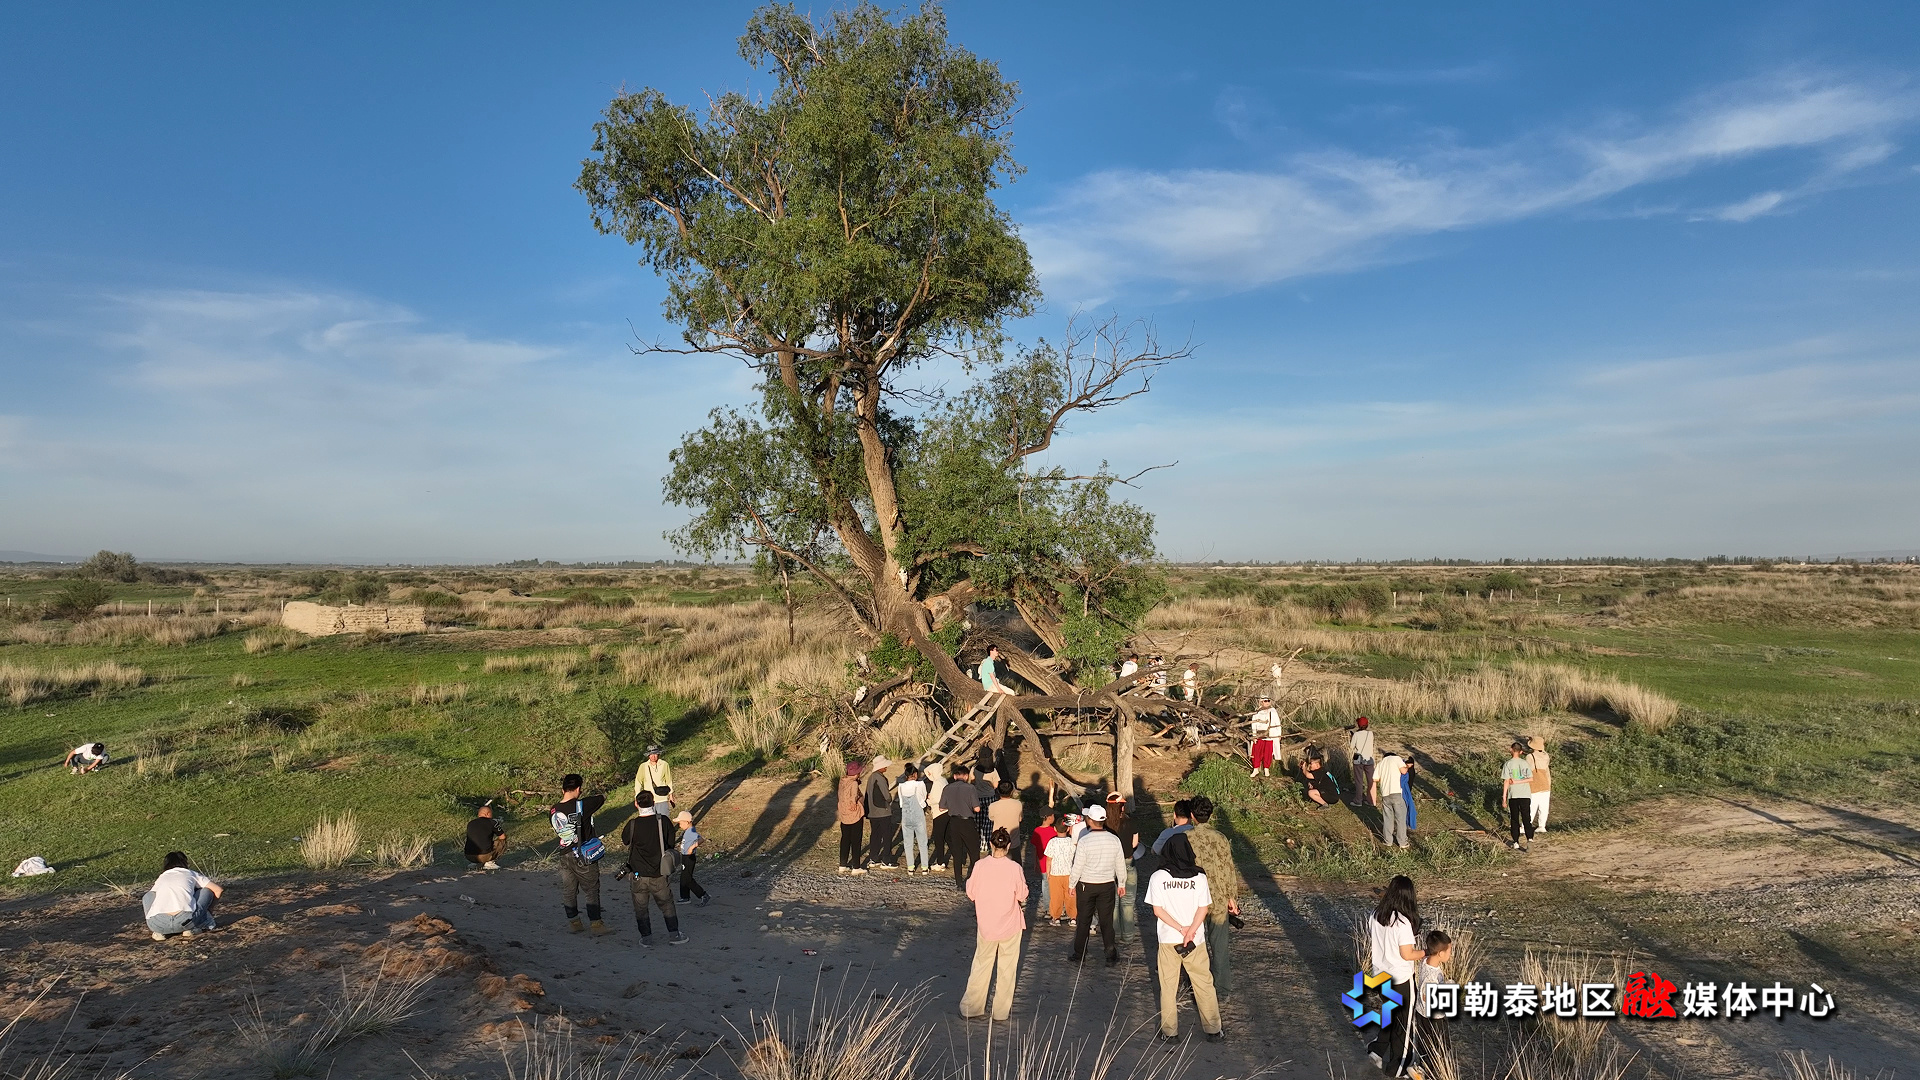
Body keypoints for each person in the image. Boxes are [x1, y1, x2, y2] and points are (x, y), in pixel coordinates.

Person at [1147, 834, 1224, 1044]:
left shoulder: (1158, 877)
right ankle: (1213, 1030)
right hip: (1195, 940)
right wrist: (1190, 931)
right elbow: (1203, 909)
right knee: (1203, 983)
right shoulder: (1200, 877)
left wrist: (1180, 929)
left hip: (1169, 939)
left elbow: (1157, 910)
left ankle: (1169, 1032)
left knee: (1168, 986)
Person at [960, 828, 1028, 1021]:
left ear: (991, 844)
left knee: (981, 964)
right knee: (1007, 969)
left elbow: (971, 892)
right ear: (1008, 845)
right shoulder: (1014, 868)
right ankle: (1000, 1012)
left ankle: (971, 1008)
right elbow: (1022, 894)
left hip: (986, 924)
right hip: (1010, 924)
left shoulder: (980, 865)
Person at [1366, 875, 1426, 1075]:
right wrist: (1427, 952)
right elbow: (1407, 954)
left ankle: (1377, 1049)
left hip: (1380, 977)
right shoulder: (1403, 923)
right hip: (1401, 979)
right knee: (1403, 1025)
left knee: (1389, 1015)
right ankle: (1398, 1068)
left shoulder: (1376, 914)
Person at [1187, 796, 1242, 999]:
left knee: (1194, 946)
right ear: (1210, 815)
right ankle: (1222, 990)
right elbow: (1228, 869)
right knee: (1220, 948)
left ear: (1192, 815)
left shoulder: (1185, 838)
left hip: (1193, 900)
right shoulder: (1220, 838)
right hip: (1218, 898)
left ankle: (1198, 987)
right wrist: (1232, 898)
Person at [619, 792, 686, 945]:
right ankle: (674, 935)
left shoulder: (632, 824)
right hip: (659, 872)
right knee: (666, 904)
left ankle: (646, 938)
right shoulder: (663, 821)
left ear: (636, 804)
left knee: (641, 907)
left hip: (638, 874)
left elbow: (625, 840)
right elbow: (670, 844)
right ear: (653, 802)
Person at [1067, 804, 1126, 964]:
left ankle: (1080, 954)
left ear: (1090, 820)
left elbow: (1078, 865)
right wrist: (1121, 883)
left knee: (1083, 920)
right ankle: (1110, 954)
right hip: (1107, 884)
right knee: (1106, 921)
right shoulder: (1114, 839)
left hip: (1086, 885)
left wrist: (1072, 884)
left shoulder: (1085, 840)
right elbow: (1120, 863)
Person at [550, 774, 608, 933]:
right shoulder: (582, 805)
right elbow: (602, 797)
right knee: (591, 890)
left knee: (569, 890)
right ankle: (596, 925)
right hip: (583, 854)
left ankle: (574, 923)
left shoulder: (553, 810)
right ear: (578, 789)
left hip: (564, 854)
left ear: (562, 790)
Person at [144, 851, 221, 940]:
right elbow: (218, 890)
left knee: (148, 895)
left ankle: (159, 932)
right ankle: (197, 926)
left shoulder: (162, 877)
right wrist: (209, 910)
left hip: (157, 924)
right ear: (185, 862)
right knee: (206, 891)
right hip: (186, 921)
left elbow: (149, 897)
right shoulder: (191, 873)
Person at [1413, 929, 1455, 1070]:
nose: (1450, 954)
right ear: (1441, 953)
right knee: (1440, 1046)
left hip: (1421, 1012)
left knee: (1425, 1044)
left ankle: (1421, 1068)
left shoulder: (1425, 961)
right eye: (1449, 951)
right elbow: (1428, 996)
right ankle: (1430, 1070)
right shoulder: (1432, 975)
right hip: (1433, 1017)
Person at [940, 764, 984, 889]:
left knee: (957, 852)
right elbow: (977, 808)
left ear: (954, 776)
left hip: (953, 822)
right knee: (974, 852)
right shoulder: (970, 788)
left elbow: (942, 807)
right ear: (966, 776)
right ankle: (975, 879)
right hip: (967, 822)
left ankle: (958, 881)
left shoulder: (947, 788)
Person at [1105, 793, 1139, 942]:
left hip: (1110, 865)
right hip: (1128, 863)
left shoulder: (1104, 825)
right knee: (1128, 903)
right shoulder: (1130, 822)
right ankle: (1128, 936)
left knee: (1113, 903)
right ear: (1122, 807)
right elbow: (1135, 843)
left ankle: (1115, 934)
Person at [1501, 741, 1536, 853]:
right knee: (1526, 818)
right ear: (1521, 752)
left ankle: (1516, 842)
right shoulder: (1525, 763)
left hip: (1513, 795)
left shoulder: (1508, 764)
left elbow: (1506, 781)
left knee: (1514, 819)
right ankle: (1530, 838)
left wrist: (1504, 797)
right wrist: (1520, 781)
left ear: (1511, 750)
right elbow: (1531, 778)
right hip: (1525, 794)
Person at [896, 763, 931, 874]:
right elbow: (922, 799)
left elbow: (901, 803)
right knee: (922, 842)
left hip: (906, 815)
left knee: (908, 842)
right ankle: (924, 867)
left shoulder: (901, 786)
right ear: (915, 774)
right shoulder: (919, 784)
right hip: (918, 815)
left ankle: (910, 867)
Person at [1044, 817, 1079, 925]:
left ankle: (1056, 917)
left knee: (1056, 897)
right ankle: (1073, 917)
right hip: (1069, 873)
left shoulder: (1052, 842)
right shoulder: (1072, 842)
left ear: (1055, 829)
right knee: (1071, 896)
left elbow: (1049, 859)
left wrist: (1048, 872)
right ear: (1068, 829)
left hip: (1055, 874)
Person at [1375, 747, 1410, 850]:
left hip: (1385, 794)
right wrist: (1407, 767)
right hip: (1397, 793)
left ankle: (1388, 841)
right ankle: (1402, 842)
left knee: (1387, 818)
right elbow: (1403, 771)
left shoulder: (1380, 763)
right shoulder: (1397, 758)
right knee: (1400, 818)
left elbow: (1376, 779)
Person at [865, 755, 897, 869]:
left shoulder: (871, 777)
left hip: (872, 812)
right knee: (887, 836)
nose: (886, 767)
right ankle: (886, 860)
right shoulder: (880, 778)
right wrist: (889, 799)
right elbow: (886, 796)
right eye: (885, 766)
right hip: (883, 812)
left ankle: (873, 858)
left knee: (875, 835)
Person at [674, 810, 709, 905]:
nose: (679, 825)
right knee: (683, 877)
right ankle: (685, 897)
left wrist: (692, 847)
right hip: (685, 857)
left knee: (688, 879)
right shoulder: (688, 831)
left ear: (687, 822)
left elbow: (701, 839)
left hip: (689, 858)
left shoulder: (691, 831)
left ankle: (703, 894)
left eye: (680, 823)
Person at [837, 762, 866, 875]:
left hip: (844, 814)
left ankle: (842, 865)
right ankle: (856, 866)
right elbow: (854, 798)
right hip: (854, 815)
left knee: (845, 839)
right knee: (856, 841)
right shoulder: (854, 783)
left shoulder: (842, 781)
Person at [988, 781, 1023, 863]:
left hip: (998, 841)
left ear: (998, 791)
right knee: (1016, 863)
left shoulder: (993, 806)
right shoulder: (1018, 804)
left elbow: (991, 818)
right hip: (1014, 840)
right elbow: (1020, 819)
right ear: (1011, 791)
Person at [1031, 811, 1058, 913]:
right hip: (1054, 862)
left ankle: (1047, 907)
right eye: (1053, 815)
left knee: (1045, 883)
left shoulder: (1037, 831)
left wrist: (1035, 862)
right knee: (1054, 884)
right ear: (1049, 817)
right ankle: (1056, 906)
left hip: (1042, 861)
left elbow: (1034, 848)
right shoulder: (1053, 831)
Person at [463, 802, 505, 869]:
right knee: (502, 841)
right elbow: (502, 836)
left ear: (479, 814)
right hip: (484, 855)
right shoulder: (492, 822)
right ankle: (490, 862)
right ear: (488, 814)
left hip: (469, 855)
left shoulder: (470, 823)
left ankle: (476, 863)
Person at [1526, 736, 1553, 835]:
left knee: (1531, 806)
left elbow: (1527, 770)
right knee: (1544, 807)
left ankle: (1526, 826)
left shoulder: (1530, 757)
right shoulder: (1546, 756)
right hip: (1545, 783)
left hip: (1534, 784)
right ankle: (1542, 826)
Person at [927, 761, 950, 871]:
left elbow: (936, 799)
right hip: (946, 811)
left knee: (939, 838)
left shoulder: (937, 783)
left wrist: (928, 800)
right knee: (947, 836)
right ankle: (958, 856)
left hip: (938, 813)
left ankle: (940, 862)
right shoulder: (943, 780)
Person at [1349, 718, 1377, 808]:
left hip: (1358, 759)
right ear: (1367, 725)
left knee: (1359, 781)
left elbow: (1351, 746)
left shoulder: (1356, 734)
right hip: (1369, 759)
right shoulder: (1370, 733)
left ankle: (1358, 800)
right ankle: (1371, 800)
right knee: (1371, 781)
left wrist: (1352, 738)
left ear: (1358, 725)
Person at [1249, 698, 1280, 778]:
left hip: (1270, 734)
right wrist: (1254, 735)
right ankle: (1256, 769)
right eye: (1265, 701)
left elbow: (1277, 723)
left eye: (1268, 701)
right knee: (1256, 752)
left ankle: (1266, 769)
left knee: (1268, 752)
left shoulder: (1273, 711)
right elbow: (1254, 724)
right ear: (1261, 702)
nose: (1267, 702)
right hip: (1259, 734)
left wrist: (1279, 734)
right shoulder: (1257, 711)